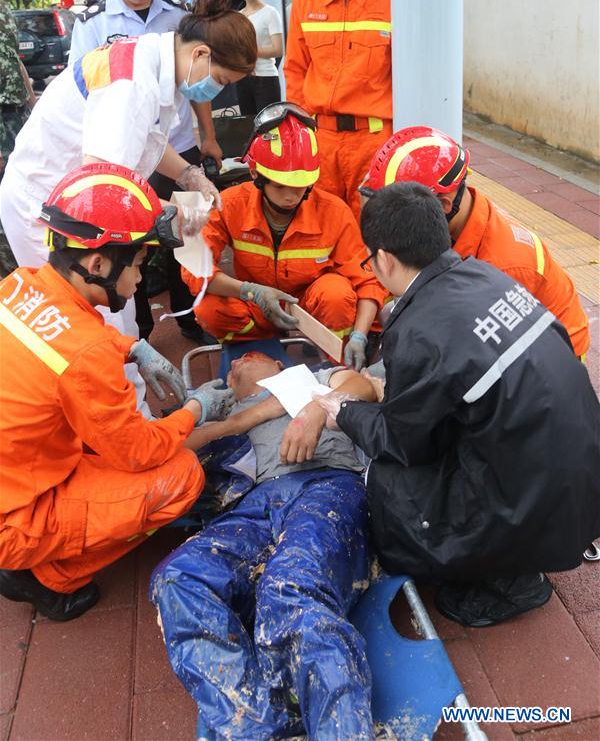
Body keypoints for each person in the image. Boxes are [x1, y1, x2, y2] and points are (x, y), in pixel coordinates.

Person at [308, 182, 600, 628]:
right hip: (580, 490)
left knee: (389, 483)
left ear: (383, 258)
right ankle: (515, 555)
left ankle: (508, 581)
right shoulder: (488, 275)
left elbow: (404, 443)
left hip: (535, 509)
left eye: (370, 260)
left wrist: (342, 409)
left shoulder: (417, 326)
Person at [0, 0, 255, 412]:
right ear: (201, 56)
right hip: (47, 205)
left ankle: (127, 412)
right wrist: (167, 217)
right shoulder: (132, 84)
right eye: (223, 81)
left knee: (114, 311)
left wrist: (189, 174)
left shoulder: (155, 65)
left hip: (73, 199)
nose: (219, 91)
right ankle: (118, 421)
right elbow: (104, 189)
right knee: (96, 314)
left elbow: (149, 142)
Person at [0, 163, 236, 622]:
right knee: (182, 477)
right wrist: (195, 408)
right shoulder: (87, 356)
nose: (141, 279)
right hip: (13, 519)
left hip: (14, 475)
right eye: (139, 265)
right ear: (98, 264)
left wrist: (133, 346)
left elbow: (60, 338)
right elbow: (138, 453)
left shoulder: (20, 284)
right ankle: (45, 579)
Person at [150, 350, 377, 739]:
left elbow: (366, 387)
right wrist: (226, 415)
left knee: (290, 586)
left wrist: (314, 410)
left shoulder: (314, 376)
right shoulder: (226, 417)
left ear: (278, 366)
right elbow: (171, 450)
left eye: (250, 356)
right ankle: (260, 726)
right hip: (255, 505)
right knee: (177, 579)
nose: (236, 363)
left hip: (326, 487)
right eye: (232, 367)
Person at [68, 0, 218, 342]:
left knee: (187, 234)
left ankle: (191, 316)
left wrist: (206, 137)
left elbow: (197, 86)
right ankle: (139, 330)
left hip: (176, 146)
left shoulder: (177, 16)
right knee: (125, 241)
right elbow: (84, 97)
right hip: (117, 157)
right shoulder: (93, 23)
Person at [183, 103, 386, 370]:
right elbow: (194, 267)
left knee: (337, 294)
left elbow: (368, 281)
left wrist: (359, 336)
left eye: (300, 187)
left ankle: (332, 364)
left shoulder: (334, 212)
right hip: (257, 305)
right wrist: (249, 291)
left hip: (310, 306)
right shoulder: (230, 204)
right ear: (255, 174)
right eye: (280, 186)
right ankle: (254, 351)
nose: (291, 196)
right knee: (209, 307)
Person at [359, 125, 590, 358]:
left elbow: (478, 356)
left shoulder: (503, 265)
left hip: (545, 356)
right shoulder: (459, 222)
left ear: (443, 206)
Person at [284, 0, 392, 220]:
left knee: (374, 230)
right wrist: (300, 136)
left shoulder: (394, 2)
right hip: (321, 140)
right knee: (322, 226)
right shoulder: (305, 3)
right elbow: (295, 70)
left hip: (374, 142)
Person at [0, 1, 36, 277]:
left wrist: (32, 102)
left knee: (23, 186)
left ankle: (22, 272)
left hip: (18, 113)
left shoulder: (3, 8)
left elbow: (14, 58)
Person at [235, 0, 283, 116]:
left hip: (266, 79)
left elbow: (278, 49)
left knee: (268, 128)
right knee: (248, 128)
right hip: (242, 78)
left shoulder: (270, 13)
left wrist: (250, 52)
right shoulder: (238, 16)